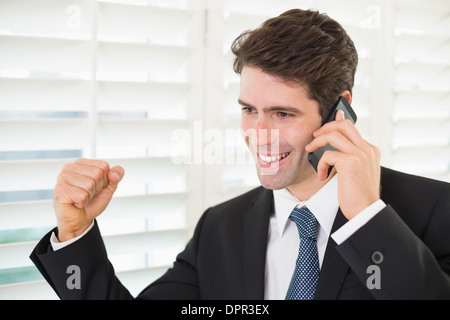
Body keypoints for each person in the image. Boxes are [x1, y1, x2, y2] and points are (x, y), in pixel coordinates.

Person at [30, 9, 450, 300]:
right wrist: (75, 234)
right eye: (249, 110)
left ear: (339, 110)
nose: (259, 135)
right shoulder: (221, 228)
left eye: (282, 113)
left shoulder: (433, 211)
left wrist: (364, 216)